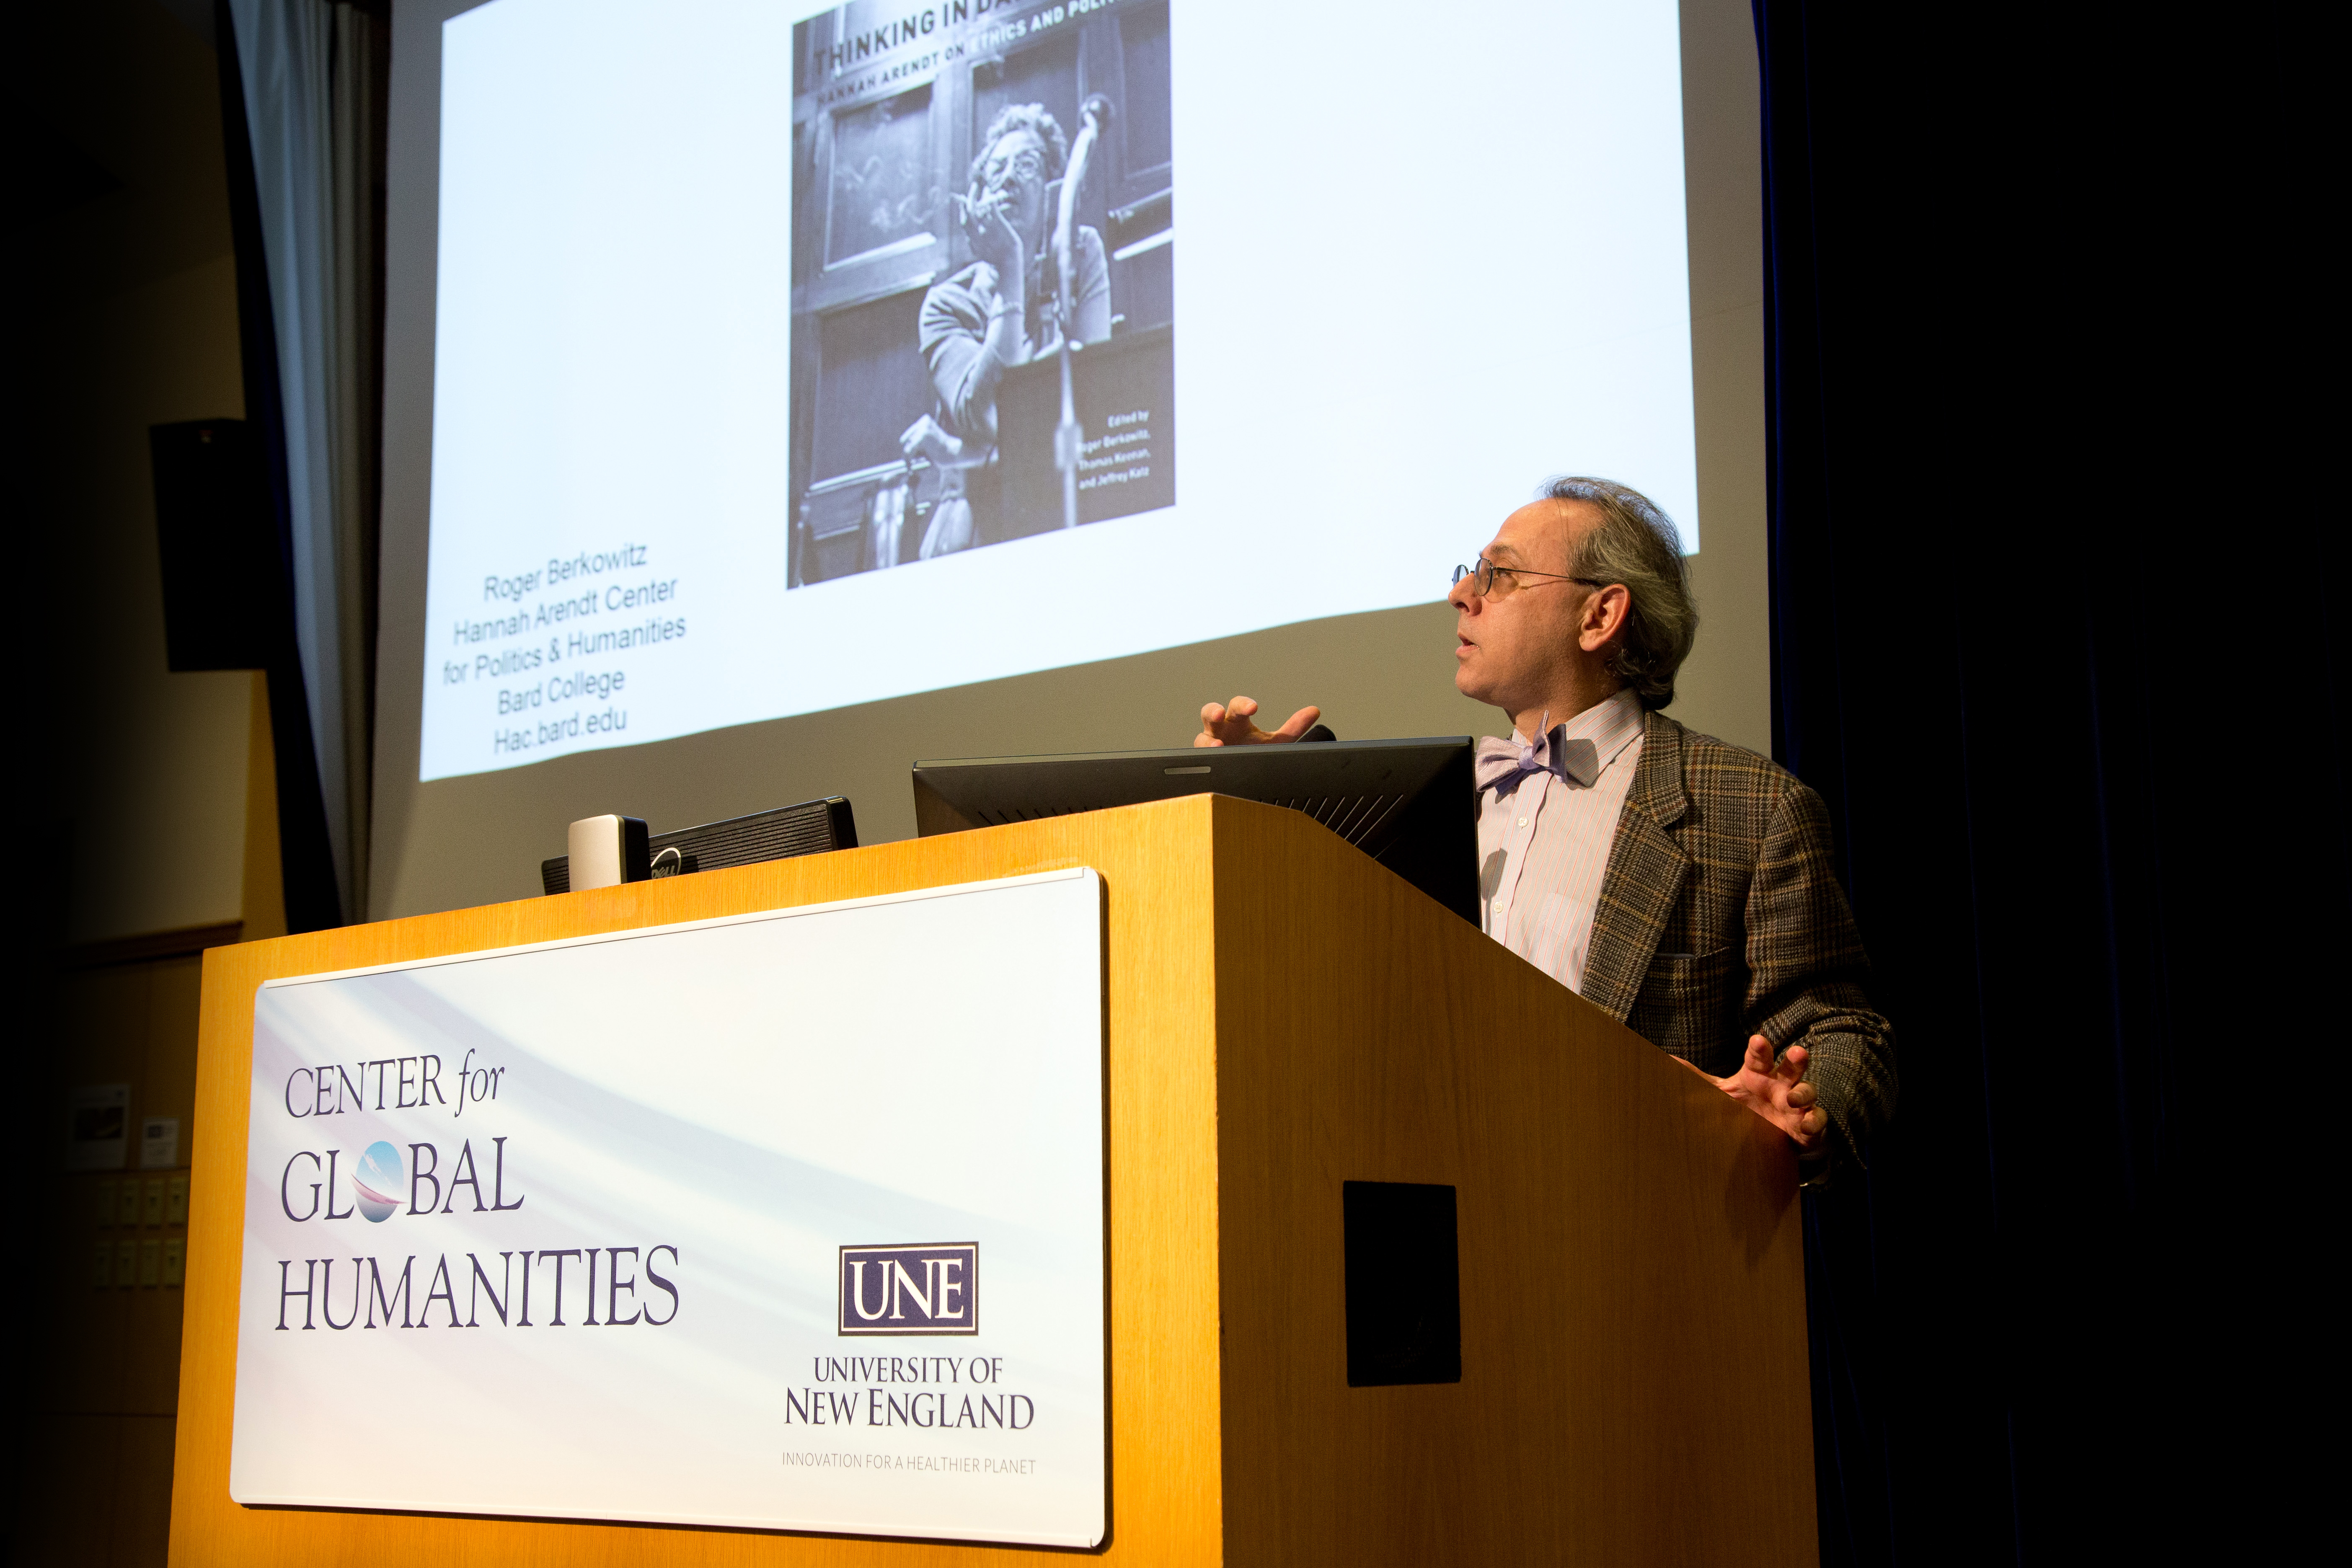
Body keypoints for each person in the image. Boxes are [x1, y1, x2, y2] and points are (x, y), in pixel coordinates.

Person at [1197, 477, 1895, 1182]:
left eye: (1497, 574)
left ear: (1598, 615)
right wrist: (1266, 808)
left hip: (1635, 1228)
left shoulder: (1748, 807)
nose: (1460, 594)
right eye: (1469, 572)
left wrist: (1800, 1111)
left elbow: (1838, 1030)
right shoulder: (1419, 802)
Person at [903, 104, 1111, 558]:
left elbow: (1096, 399)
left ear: (1054, 191)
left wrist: (963, 454)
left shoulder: (1080, 256)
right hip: (970, 536)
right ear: (977, 196)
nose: (1009, 178)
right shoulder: (946, 304)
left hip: (1063, 512)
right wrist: (1012, 269)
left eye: (1027, 166)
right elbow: (989, 416)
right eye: (996, 169)